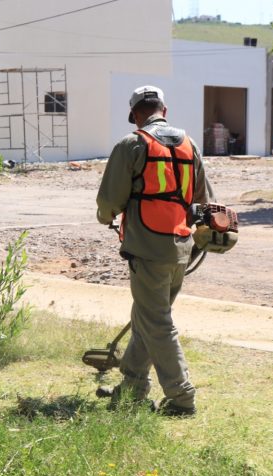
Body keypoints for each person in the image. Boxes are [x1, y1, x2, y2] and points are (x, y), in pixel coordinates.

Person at [95, 85, 208, 416]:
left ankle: (181, 397)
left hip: (147, 250)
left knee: (156, 322)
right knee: (145, 318)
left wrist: (106, 218)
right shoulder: (190, 145)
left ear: (135, 115)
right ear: (164, 110)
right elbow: (203, 200)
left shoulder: (131, 144)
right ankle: (131, 389)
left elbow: (108, 202)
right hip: (182, 249)